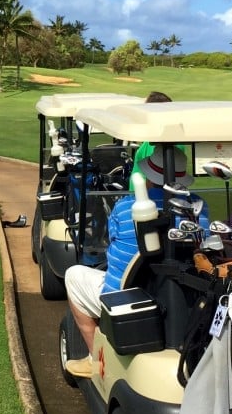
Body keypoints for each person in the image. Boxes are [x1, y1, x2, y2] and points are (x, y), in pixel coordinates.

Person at [64, 145, 206, 378]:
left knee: (73, 275)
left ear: (149, 177)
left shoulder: (123, 207)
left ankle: (93, 358)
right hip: (182, 294)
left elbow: (111, 244)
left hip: (126, 291)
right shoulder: (200, 207)